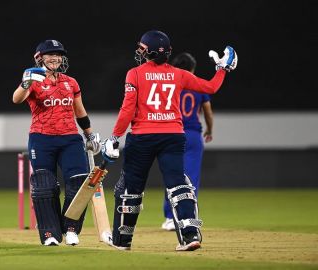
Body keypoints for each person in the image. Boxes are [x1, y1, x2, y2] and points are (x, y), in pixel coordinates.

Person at [101, 30, 237, 251]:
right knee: (179, 185)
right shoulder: (179, 74)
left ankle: (122, 240)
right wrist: (222, 69)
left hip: (142, 137)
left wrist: (115, 137)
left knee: (130, 189)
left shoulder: (134, 73)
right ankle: (190, 235)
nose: (140, 51)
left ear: (150, 52)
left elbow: (127, 109)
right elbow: (211, 87)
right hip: (173, 135)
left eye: (143, 48)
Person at [12, 40, 101, 246]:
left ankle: (71, 228)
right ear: (39, 57)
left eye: (58, 54)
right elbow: (16, 99)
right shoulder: (32, 79)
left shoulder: (71, 82)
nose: (55, 58)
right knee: (45, 187)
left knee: (79, 183)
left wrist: (89, 134)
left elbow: (80, 111)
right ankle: (49, 233)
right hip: (41, 138)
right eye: (50, 54)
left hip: (70, 138)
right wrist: (25, 82)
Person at [161, 52, 214, 231]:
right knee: (191, 179)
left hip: (172, 132)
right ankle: (188, 217)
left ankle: (170, 218)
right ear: (192, 69)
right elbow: (207, 111)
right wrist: (210, 130)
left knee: (172, 175)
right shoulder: (197, 85)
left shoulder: (170, 83)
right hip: (192, 135)